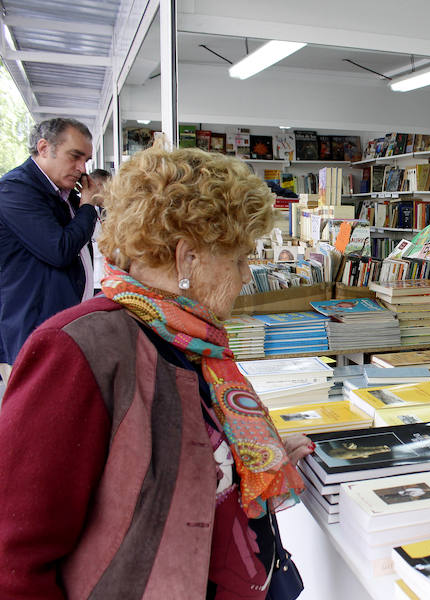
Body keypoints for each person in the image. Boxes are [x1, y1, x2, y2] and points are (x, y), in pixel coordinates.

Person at [0, 141, 312, 597]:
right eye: (240, 258)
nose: (248, 275)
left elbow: (177, 452)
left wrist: (248, 454)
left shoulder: (190, 339)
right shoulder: (79, 349)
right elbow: (16, 556)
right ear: (187, 257)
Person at [0, 118, 100, 378]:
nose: (81, 168)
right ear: (44, 148)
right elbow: (60, 249)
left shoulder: (61, 194)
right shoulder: (15, 190)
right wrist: (88, 207)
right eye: (75, 157)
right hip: (32, 335)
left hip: (60, 330)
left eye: (86, 160)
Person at [88, 168, 112, 294]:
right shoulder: (83, 212)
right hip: (94, 279)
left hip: (107, 277)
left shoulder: (107, 210)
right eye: (108, 187)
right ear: (99, 186)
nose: (110, 192)